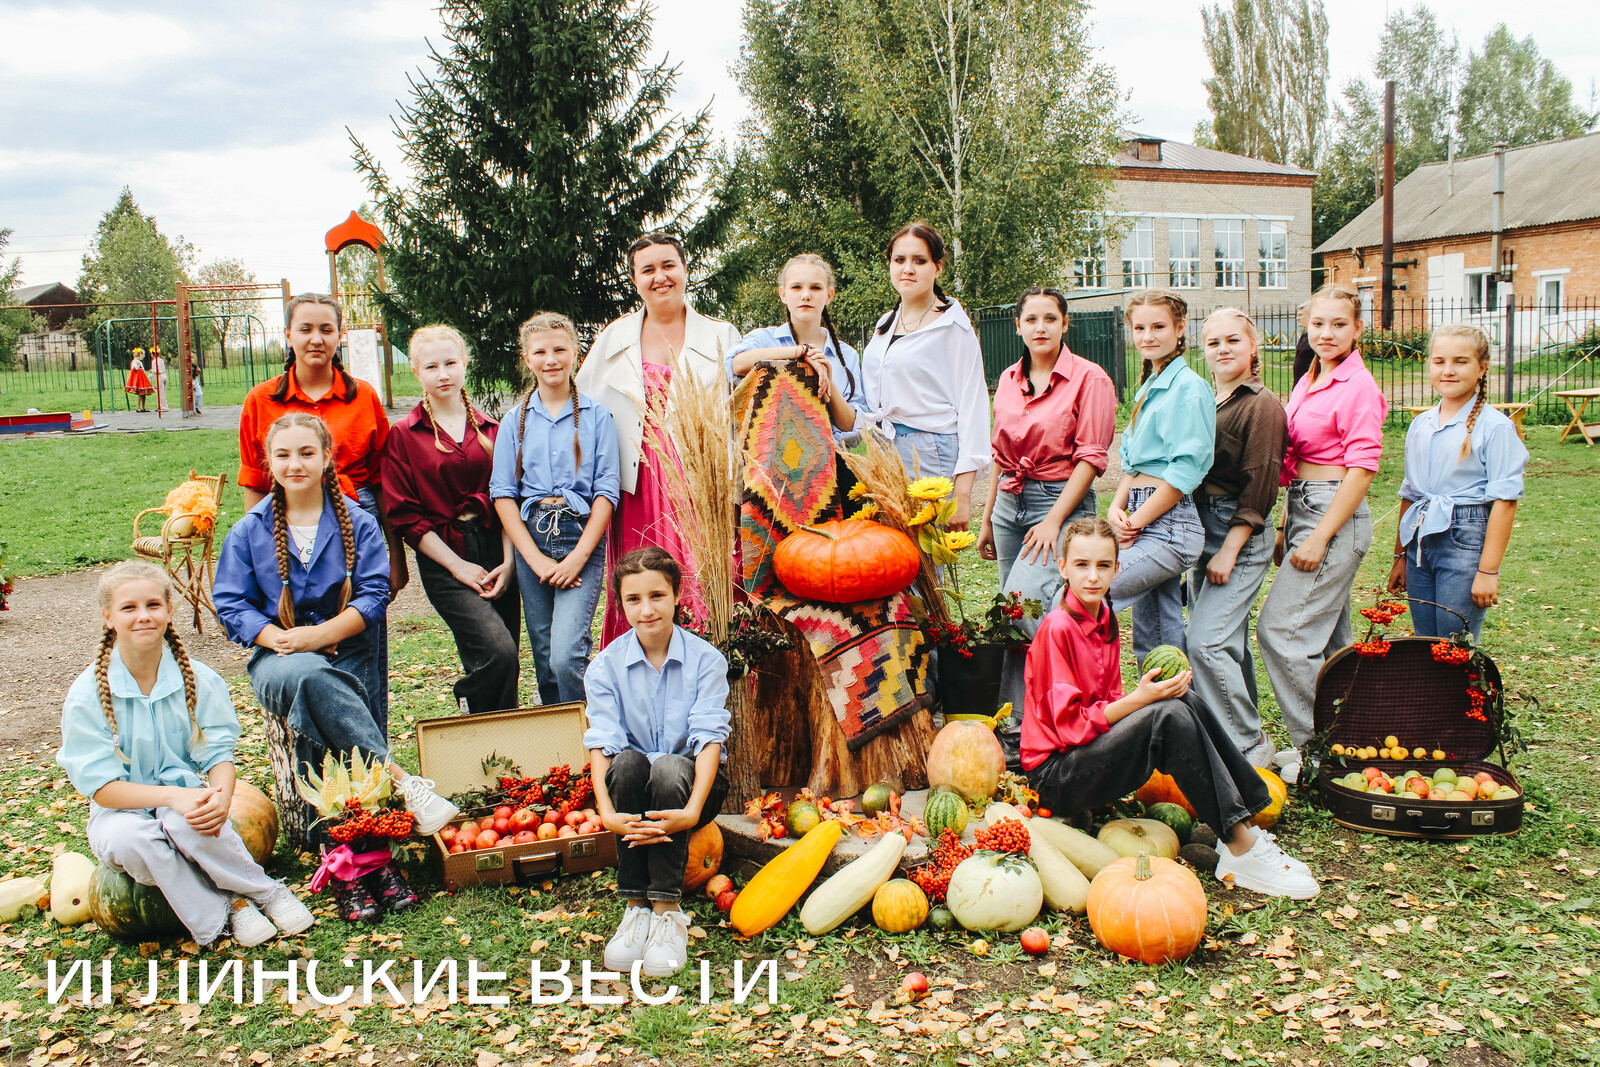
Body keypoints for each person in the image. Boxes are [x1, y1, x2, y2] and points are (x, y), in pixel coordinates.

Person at [214, 412, 456, 922]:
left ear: (327, 459)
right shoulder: (249, 530)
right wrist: (282, 638)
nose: (295, 463)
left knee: (328, 720)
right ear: (268, 463)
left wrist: (321, 635)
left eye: (307, 453)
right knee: (307, 679)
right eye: (283, 454)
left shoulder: (357, 520)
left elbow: (372, 595)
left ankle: (367, 864)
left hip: (348, 648)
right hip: (278, 659)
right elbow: (231, 603)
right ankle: (393, 797)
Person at [1021, 519, 1318, 899]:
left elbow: (1109, 703)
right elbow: (1070, 729)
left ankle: (1245, 826)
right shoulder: (1057, 629)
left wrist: (1154, 695)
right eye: (1081, 564)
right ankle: (1240, 847)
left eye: (1103, 565)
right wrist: (1143, 700)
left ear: (1116, 568)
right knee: (1166, 715)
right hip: (1055, 780)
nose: (1092, 576)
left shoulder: (1104, 616)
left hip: (1088, 758)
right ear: (1062, 567)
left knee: (1183, 701)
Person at [59, 561, 318, 947]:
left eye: (152, 605)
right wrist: (171, 797)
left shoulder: (197, 678)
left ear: (169, 610)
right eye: (129, 608)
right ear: (108, 617)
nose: (143, 616)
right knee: (133, 840)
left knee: (186, 823)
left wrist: (221, 798)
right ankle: (228, 908)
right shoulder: (87, 695)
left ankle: (267, 893)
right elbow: (102, 789)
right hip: (118, 810)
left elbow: (218, 755)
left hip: (184, 796)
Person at [575, 233, 742, 646]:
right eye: (647, 270)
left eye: (668, 265)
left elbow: (742, 411)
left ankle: (710, 664)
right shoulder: (614, 337)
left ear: (685, 270)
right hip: (637, 482)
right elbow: (582, 409)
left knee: (702, 579)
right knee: (641, 581)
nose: (660, 277)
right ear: (635, 280)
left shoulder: (721, 334)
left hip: (700, 484)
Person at [237, 293, 400, 713]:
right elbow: (255, 482)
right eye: (305, 329)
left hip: (352, 524)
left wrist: (395, 557)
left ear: (339, 336)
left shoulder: (362, 397)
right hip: (286, 525)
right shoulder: (261, 400)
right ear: (288, 335)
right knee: (296, 647)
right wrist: (259, 555)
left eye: (326, 329)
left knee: (360, 640)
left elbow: (384, 482)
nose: (316, 339)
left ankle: (371, 754)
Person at [1257, 285, 1387, 783]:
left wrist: (1318, 537)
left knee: (1282, 633)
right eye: (1318, 324)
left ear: (1358, 329)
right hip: (1305, 508)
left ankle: (1321, 750)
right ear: (1305, 327)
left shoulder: (1358, 386)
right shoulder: (1312, 377)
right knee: (1333, 644)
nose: (1326, 334)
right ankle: (1354, 743)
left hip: (1333, 516)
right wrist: (1289, 524)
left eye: (1338, 324)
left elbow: (1361, 469)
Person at [977, 286, 1116, 744]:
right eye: (1031, 320)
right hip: (1009, 503)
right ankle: (1018, 722)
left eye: (1049, 319)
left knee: (1025, 606)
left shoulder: (1089, 379)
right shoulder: (1008, 378)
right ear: (1017, 326)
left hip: (1057, 501)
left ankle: (1080, 702)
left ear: (1064, 324)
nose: (1040, 328)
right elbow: (1000, 455)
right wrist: (987, 518)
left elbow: (1091, 459)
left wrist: (1055, 520)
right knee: (1011, 618)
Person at [586, 547, 730, 978]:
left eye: (657, 596)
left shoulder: (706, 661)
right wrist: (606, 812)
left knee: (668, 767)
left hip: (692, 788)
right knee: (629, 764)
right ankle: (636, 909)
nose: (646, 610)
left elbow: (708, 741)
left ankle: (668, 913)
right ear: (620, 603)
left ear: (676, 596)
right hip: (632, 790)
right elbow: (603, 744)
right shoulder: (605, 667)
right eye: (634, 599)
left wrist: (690, 812)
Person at [382, 325, 521, 714]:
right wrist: (458, 566)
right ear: (416, 372)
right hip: (444, 553)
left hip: (496, 546)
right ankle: (468, 704)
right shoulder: (404, 436)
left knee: (505, 658)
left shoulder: (494, 429)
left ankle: (498, 748)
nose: (442, 374)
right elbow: (405, 517)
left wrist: (510, 563)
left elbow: (507, 497)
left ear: (464, 365)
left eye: (450, 363)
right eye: (432, 366)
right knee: (498, 648)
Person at [492, 313, 620, 705]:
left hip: (579, 538)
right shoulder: (515, 421)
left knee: (567, 655)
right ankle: (556, 738)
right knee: (546, 655)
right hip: (533, 541)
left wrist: (577, 559)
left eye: (560, 349)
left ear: (575, 353)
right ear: (527, 358)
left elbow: (606, 492)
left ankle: (587, 738)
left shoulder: (596, 417)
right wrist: (534, 560)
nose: (551, 359)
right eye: (540, 351)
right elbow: (502, 494)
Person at [1186, 309, 1287, 767]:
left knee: (1205, 641)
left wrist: (1230, 549)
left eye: (1233, 340)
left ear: (1254, 346)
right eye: (1213, 342)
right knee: (1228, 641)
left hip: (1237, 532)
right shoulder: (1207, 397)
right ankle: (1241, 729)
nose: (1223, 349)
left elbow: (1261, 485)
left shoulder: (1261, 405)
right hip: (1199, 523)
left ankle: (1248, 748)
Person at [1388, 323, 1527, 640]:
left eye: (1460, 361)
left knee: (1456, 645)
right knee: (1425, 642)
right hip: (1420, 542)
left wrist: (1488, 572)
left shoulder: (1495, 427)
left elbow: (1505, 501)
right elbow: (1410, 493)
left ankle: (1466, 692)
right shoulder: (1420, 424)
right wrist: (1400, 557)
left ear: (1482, 367)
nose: (1448, 371)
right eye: (1439, 361)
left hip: (1464, 540)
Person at [858, 222, 989, 529]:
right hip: (886, 448)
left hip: (929, 450)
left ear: (937, 267)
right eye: (899, 260)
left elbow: (974, 405)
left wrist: (963, 495)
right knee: (892, 559)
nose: (908, 269)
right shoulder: (885, 324)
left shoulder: (952, 327)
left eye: (919, 261)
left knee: (924, 562)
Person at [1106, 290, 1213, 665]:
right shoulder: (1150, 385)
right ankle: (1169, 718)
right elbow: (1132, 464)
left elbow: (1185, 471)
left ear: (1179, 328)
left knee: (1089, 593)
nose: (1147, 336)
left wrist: (1135, 520)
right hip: (1140, 515)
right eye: (1139, 328)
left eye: (1158, 327)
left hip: (1169, 525)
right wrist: (1116, 511)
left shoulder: (1189, 389)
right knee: (1156, 637)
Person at [727, 253, 867, 437]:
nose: (806, 295)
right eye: (796, 287)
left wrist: (826, 379)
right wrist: (800, 352)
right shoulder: (764, 340)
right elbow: (736, 365)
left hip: (832, 461)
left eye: (816, 288)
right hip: (768, 460)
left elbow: (850, 425)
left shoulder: (846, 355)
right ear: (783, 294)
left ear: (829, 295)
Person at [1290, 301, 1314, 389]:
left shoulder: (1314, 338)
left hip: (1309, 386)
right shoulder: (1304, 336)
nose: (1297, 318)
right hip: (1300, 385)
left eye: (1300, 315)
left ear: (1309, 316)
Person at [125, 348, 153, 412]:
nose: (143, 357)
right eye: (142, 355)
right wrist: (137, 364)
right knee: (140, 393)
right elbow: (134, 368)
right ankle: (138, 407)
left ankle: (143, 407)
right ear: (139, 355)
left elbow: (142, 370)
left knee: (144, 393)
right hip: (139, 379)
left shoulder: (139, 362)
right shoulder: (135, 361)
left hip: (142, 379)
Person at [150, 346, 169, 414]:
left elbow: (156, 370)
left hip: (159, 376)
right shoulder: (161, 360)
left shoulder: (154, 361)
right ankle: (165, 405)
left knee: (160, 392)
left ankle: (162, 406)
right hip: (164, 375)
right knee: (164, 391)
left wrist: (151, 370)